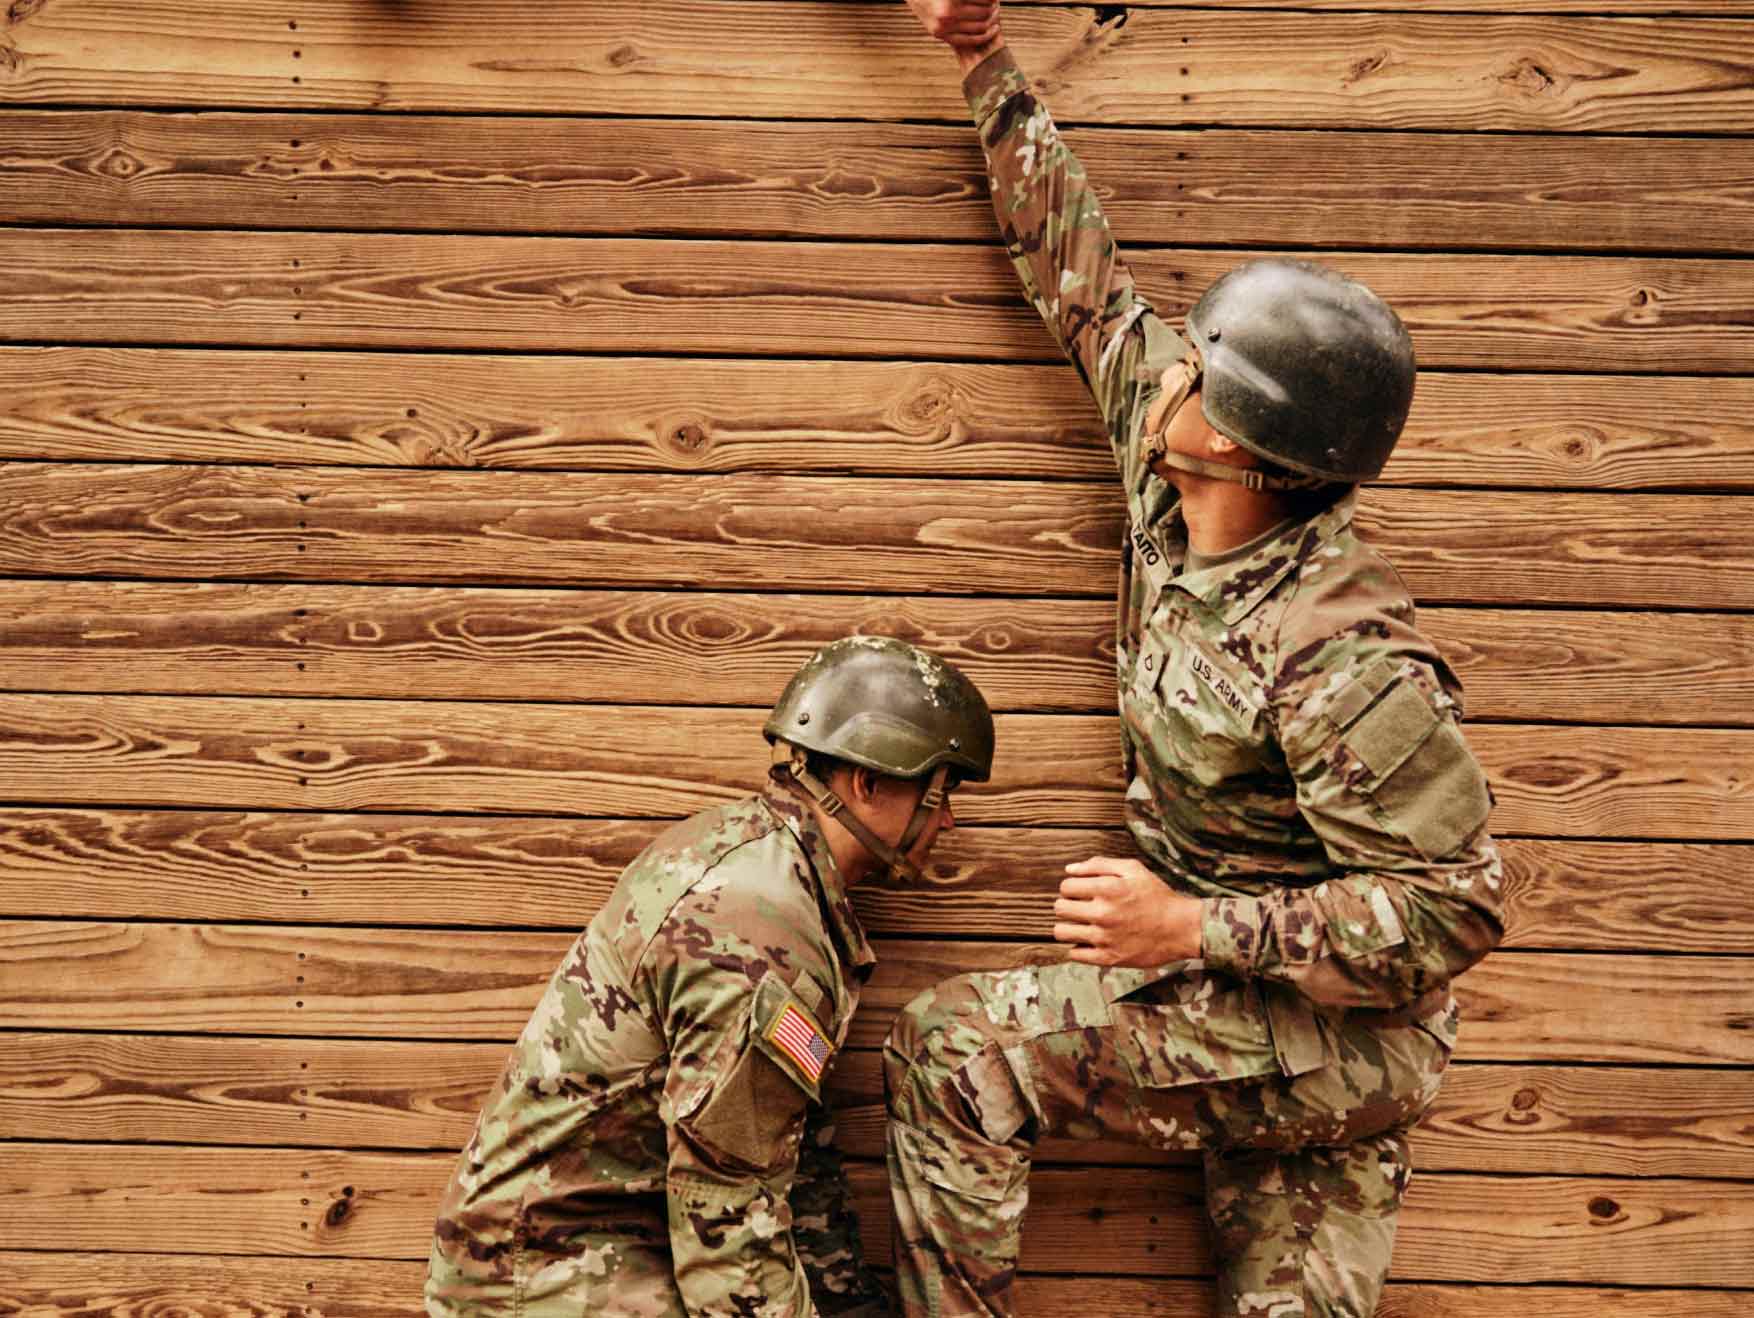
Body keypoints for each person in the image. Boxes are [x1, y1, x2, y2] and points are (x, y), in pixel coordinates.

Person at [882, 4, 1507, 1315]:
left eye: (1200, 368)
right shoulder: (1176, 468)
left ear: (1235, 442)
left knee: (955, 1048)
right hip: (1243, 1004)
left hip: (1336, 1038)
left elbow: (1454, 907)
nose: (1166, 363)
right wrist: (977, 57)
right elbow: (1083, 277)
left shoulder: (1342, 658)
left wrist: (1189, 924)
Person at [426, 635, 996, 1317]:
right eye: (938, 791)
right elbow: (725, 1221)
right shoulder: (759, 924)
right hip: (544, 1277)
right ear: (868, 784)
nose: (949, 819)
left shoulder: (772, 870)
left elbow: (789, 1159)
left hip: (607, 1247)